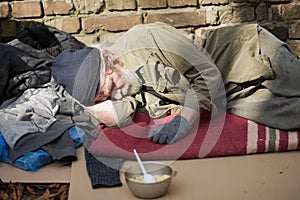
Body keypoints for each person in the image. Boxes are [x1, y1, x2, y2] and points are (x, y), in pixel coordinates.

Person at [52, 22, 300, 145]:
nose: (116, 94)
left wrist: (184, 121)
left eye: (111, 86)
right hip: (229, 97)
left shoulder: (145, 39)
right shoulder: (120, 83)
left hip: (250, 55)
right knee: (289, 117)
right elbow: (121, 113)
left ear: (108, 59)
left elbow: (208, 77)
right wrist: (90, 107)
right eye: (105, 97)